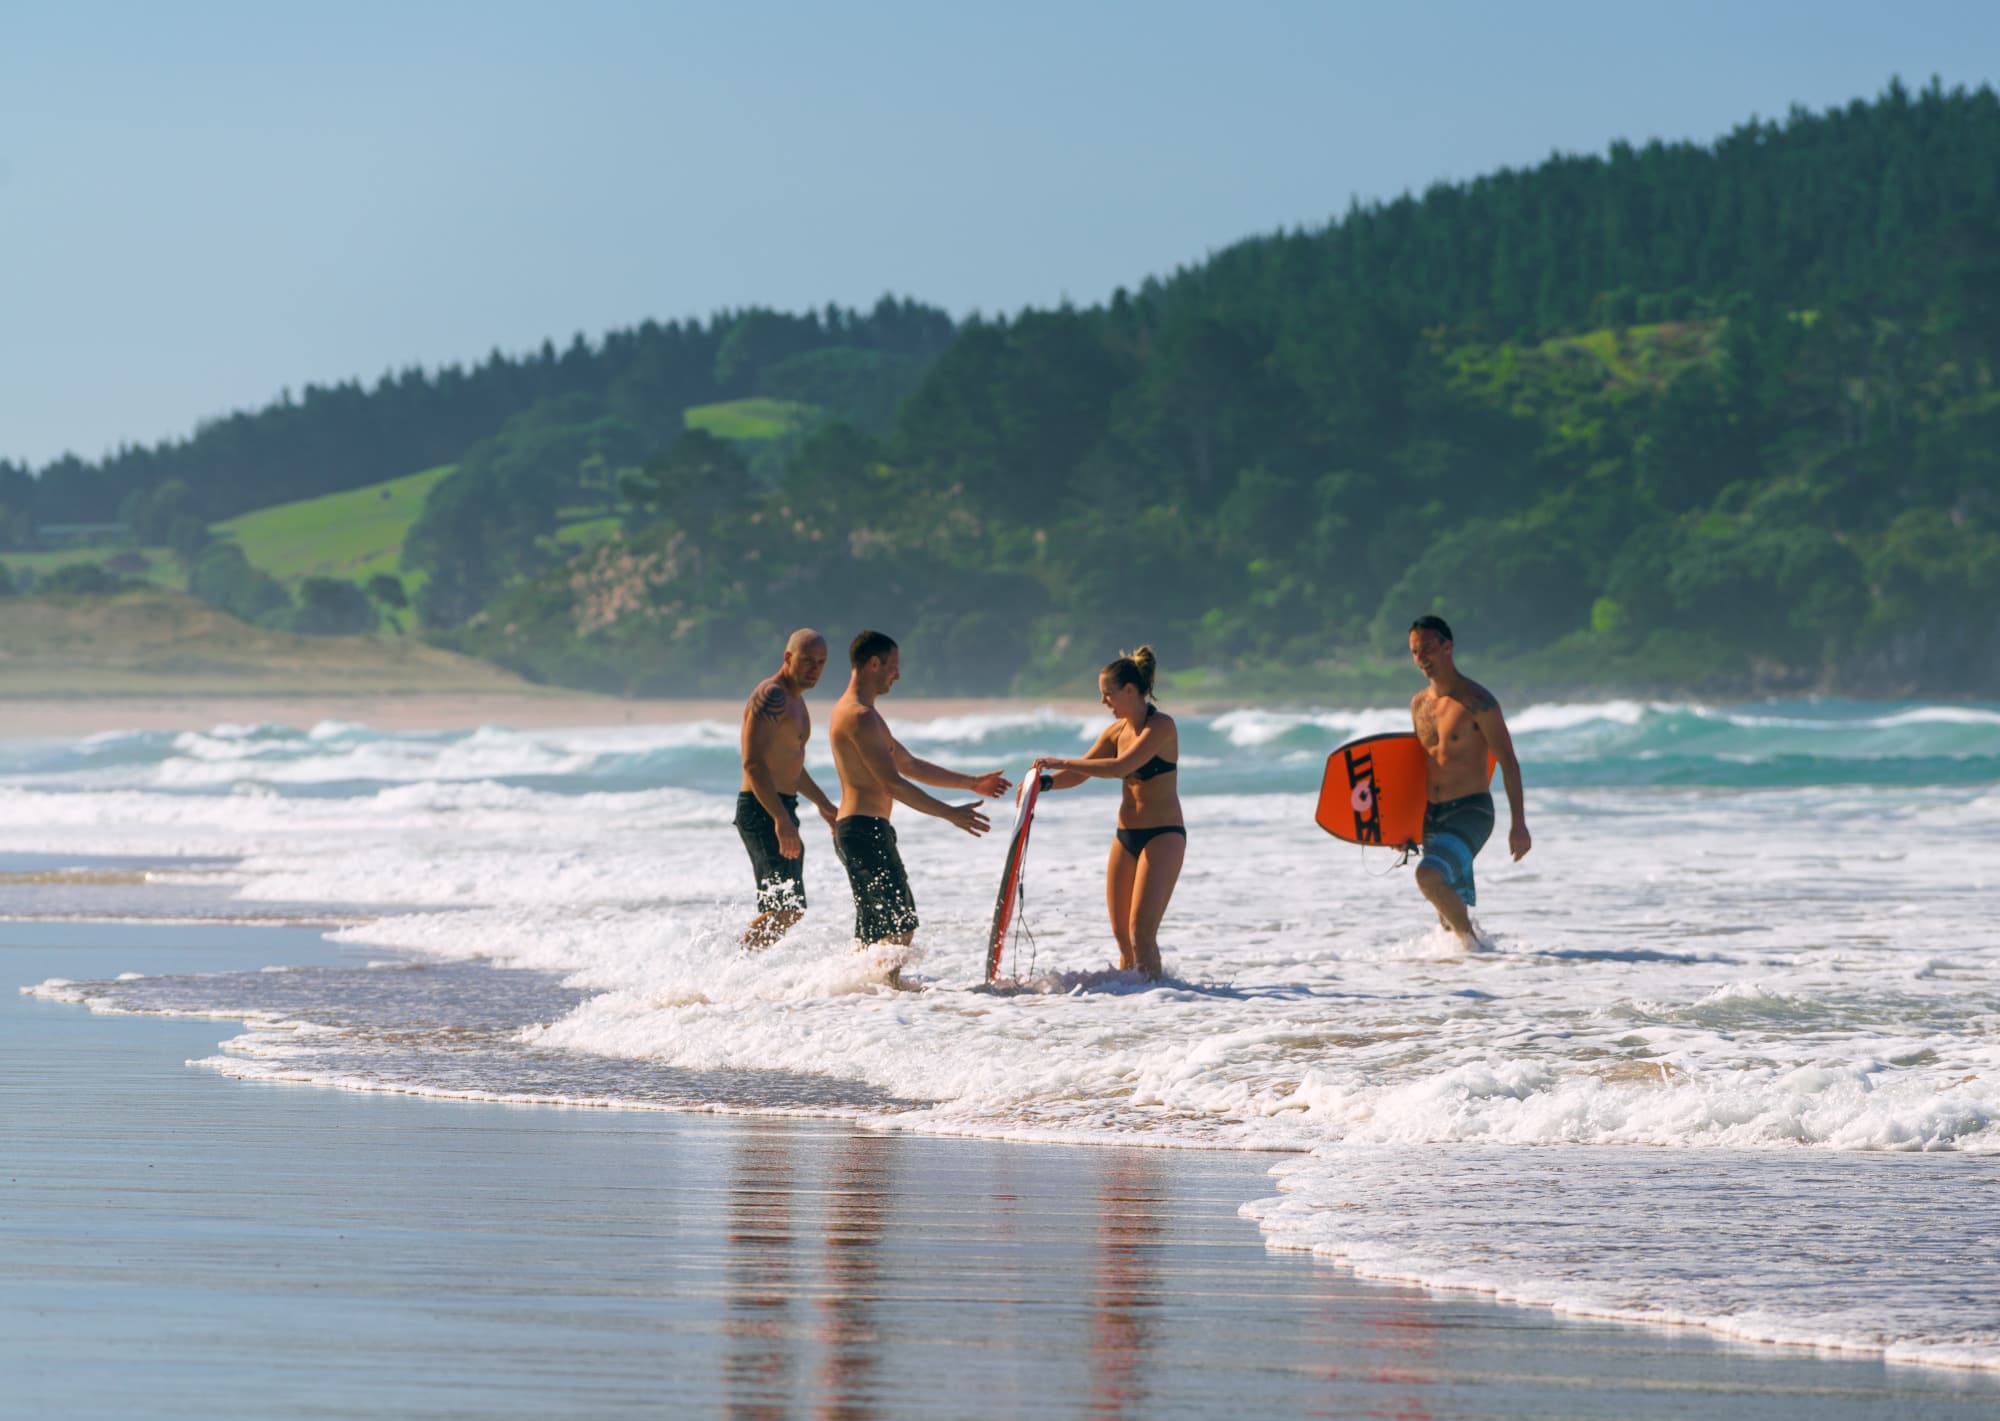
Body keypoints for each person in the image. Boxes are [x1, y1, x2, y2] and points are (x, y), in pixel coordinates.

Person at [827, 629, 1009, 950]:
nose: (898, 674)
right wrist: (950, 814)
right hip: (863, 830)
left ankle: (863, 994)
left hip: (861, 830)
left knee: (878, 933)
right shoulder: (860, 716)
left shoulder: (864, 715)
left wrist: (971, 782)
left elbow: (910, 765)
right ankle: (885, 992)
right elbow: (892, 783)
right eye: (893, 666)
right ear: (873, 664)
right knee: (899, 928)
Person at [1032, 646, 1183, 980]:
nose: (1104, 702)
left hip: (1163, 836)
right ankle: (1129, 1005)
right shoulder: (1115, 733)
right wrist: (1042, 785)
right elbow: (1078, 775)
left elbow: (1120, 767)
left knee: (1141, 933)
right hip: (1126, 836)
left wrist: (1062, 760)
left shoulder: (1160, 727)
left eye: (1107, 694)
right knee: (1122, 938)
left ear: (1129, 691)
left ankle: (1160, 1001)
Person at [1407, 614, 1530, 947]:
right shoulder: (1419, 704)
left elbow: (1508, 762)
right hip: (1432, 814)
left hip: (1471, 812)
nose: (1422, 659)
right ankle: (1467, 970)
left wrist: (1519, 824)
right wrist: (1402, 826)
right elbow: (1420, 766)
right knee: (1445, 913)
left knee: (1428, 877)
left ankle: (1474, 947)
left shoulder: (1478, 702)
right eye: (1416, 651)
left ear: (1448, 647)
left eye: (1429, 649)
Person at [736, 628, 838, 947]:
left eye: (821, 662)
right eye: (807, 661)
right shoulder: (772, 695)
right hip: (762, 807)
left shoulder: (796, 701)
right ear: (788, 658)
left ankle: (742, 973)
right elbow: (753, 764)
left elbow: (792, 767)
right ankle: (733, 970)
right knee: (786, 908)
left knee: (786, 908)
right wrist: (780, 819)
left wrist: (824, 805)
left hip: (782, 807)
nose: (814, 668)